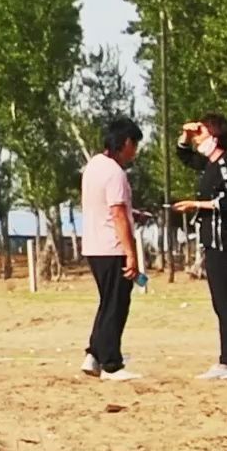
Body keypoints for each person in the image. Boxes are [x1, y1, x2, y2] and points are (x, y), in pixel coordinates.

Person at [173, 113, 227, 381]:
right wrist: (185, 136)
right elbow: (185, 156)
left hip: (223, 240)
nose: (198, 137)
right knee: (219, 302)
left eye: (201, 133)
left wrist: (194, 205)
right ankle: (226, 360)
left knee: (225, 303)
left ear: (215, 137)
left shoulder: (225, 165)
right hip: (210, 239)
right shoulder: (210, 164)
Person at [80, 118, 143, 381]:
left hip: (94, 245)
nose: (135, 152)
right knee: (116, 305)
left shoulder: (93, 166)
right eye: (135, 145)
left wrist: (133, 213)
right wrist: (131, 253)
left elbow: (109, 207)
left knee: (107, 303)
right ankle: (111, 364)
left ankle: (94, 354)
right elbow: (117, 214)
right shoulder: (115, 173)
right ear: (126, 142)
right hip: (112, 247)